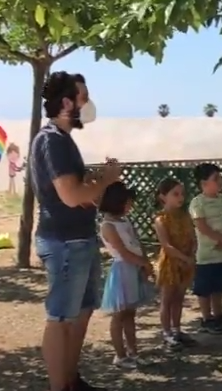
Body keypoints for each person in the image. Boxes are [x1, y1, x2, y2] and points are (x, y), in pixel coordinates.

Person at [30, 71, 119, 391]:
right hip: (65, 242)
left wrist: (95, 183)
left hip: (78, 240)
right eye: (83, 97)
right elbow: (70, 196)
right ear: (67, 103)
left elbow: (75, 194)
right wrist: (107, 179)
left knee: (79, 314)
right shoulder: (52, 140)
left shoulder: (61, 140)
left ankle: (70, 380)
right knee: (61, 319)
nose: (88, 103)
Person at [99, 182, 155, 368]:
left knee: (131, 312)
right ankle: (120, 356)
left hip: (135, 268)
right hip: (123, 270)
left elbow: (137, 243)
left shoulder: (125, 221)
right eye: (127, 202)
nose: (130, 206)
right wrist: (143, 263)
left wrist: (144, 262)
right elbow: (122, 252)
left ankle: (133, 352)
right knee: (119, 314)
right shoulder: (108, 226)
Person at [190, 163, 222, 334]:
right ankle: (207, 318)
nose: (220, 181)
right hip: (207, 254)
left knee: (219, 286)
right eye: (216, 178)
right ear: (203, 183)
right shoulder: (198, 203)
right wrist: (221, 238)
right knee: (205, 288)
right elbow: (201, 225)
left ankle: (219, 315)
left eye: (221, 177)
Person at [153, 177, 198, 348]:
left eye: (182, 194)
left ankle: (177, 329)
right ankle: (166, 333)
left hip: (186, 261)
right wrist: (184, 258)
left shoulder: (185, 216)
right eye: (175, 194)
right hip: (170, 264)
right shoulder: (161, 220)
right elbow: (167, 245)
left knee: (179, 298)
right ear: (163, 197)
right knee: (167, 299)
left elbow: (193, 238)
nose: (180, 197)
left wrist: (191, 255)